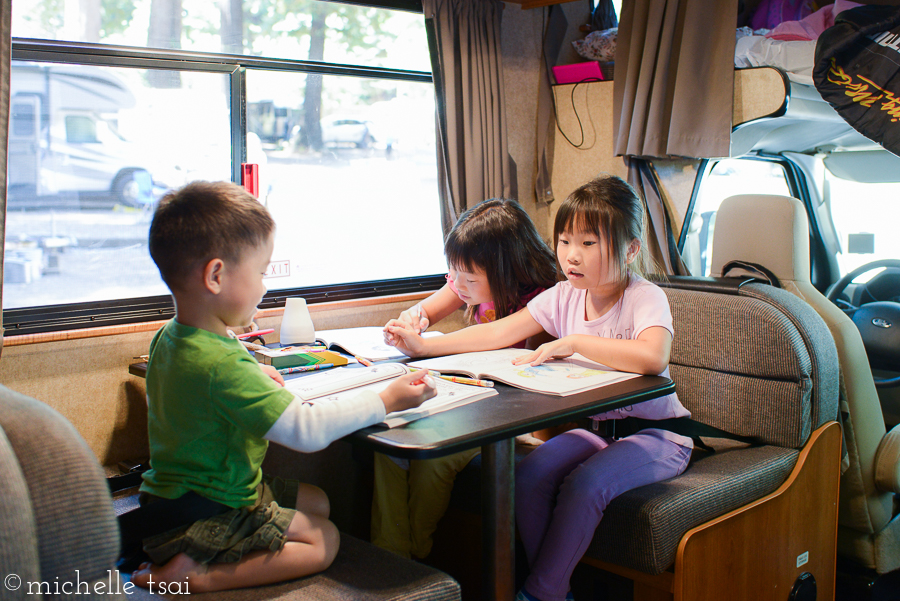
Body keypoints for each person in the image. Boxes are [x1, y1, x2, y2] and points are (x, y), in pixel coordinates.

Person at [386, 175, 694, 601]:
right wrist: (423, 347)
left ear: (630, 249)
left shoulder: (644, 296)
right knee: (527, 478)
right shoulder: (563, 295)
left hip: (658, 435)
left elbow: (653, 357)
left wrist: (572, 343)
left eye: (589, 243)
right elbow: (496, 333)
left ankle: (540, 592)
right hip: (596, 433)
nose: (572, 255)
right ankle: (555, 587)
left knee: (586, 486)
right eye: (565, 241)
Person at [130, 181, 436, 593]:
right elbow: (304, 431)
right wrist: (386, 400)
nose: (265, 286)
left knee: (319, 501)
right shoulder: (222, 363)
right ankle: (197, 575)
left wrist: (250, 374)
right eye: (260, 272)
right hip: (210, 511)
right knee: (323, 540)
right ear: (216, 275)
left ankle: (192, 557)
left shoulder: (172, 337)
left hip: (169, 500)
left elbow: (197, 394)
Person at [372, 198, 559, 561]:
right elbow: (427, 307)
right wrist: (412, 320)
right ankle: (393, 556)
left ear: (505, 272)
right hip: (470, 399)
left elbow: (498, 342)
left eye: (468, 279)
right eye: (454, 274)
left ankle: (413, 555)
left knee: (434, 458)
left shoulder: (544, 299)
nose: (459, 285)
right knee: (387, 441)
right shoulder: (469, 280)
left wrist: (424, 347)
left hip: (513, 412)